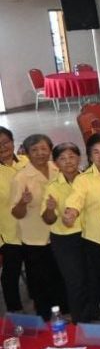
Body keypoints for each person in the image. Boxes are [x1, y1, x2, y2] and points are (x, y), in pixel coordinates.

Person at [63, 132, 100, 323]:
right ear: (89, 155)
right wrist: (71, 212)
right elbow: (76, 198)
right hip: (97, 239)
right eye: (96, 152)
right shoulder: (84, 179)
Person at [10, 134, 63, 320]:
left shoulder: (57, 168)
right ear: (26, 153)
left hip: (59, 232)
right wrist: (23, 202)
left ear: (50, 149)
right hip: (35, 238)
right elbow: (16, 213)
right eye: (34, 150)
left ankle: (64, 313)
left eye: (43, 149)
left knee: (60, 276)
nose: (40, 153)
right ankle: (45, 318)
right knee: (41, 282)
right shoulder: (21, 178)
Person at [42, 143, 87, 323]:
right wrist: (50, 209)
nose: (68, 161)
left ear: (79, 158)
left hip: (89, 235)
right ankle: (79, 320)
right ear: (56, 163)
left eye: (72, 157)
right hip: (65, 239)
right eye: (62, 158)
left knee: (91, 277)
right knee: (75, 281)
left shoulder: (88, 179)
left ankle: (92, 313)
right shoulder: (52, 186)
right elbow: (48, 219)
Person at [0, 127, 26, 312]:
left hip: (32, 228)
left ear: (13, 141)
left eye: (5, 142)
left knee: (38, 268)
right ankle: (15, 310)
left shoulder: (26, 162)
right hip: (7, 232)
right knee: (11, 273)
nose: (2, 147)